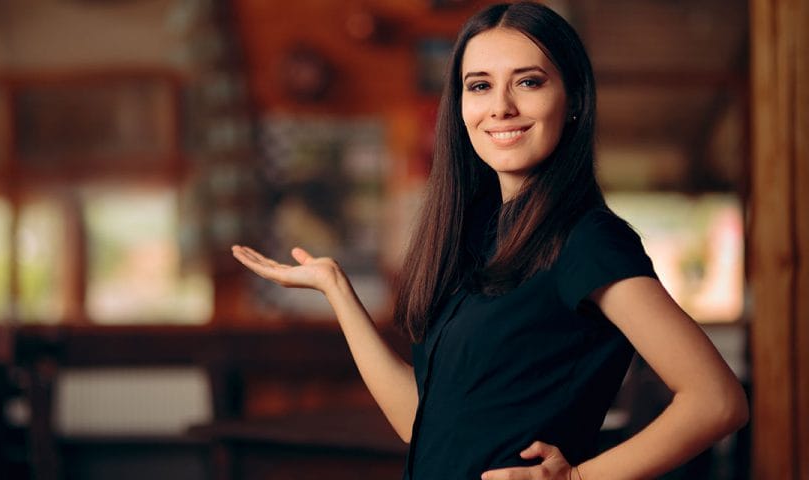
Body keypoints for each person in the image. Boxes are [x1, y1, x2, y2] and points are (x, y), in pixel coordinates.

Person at [231, 2, 749, 479]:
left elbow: (717, 400)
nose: (499, 107)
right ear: (459, 107)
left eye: (527, 82)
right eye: (478, 86)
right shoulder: (474, 237)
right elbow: (426, 427)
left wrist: (579, 479)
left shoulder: (587, 240)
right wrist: (336, 289)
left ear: (572, 100)